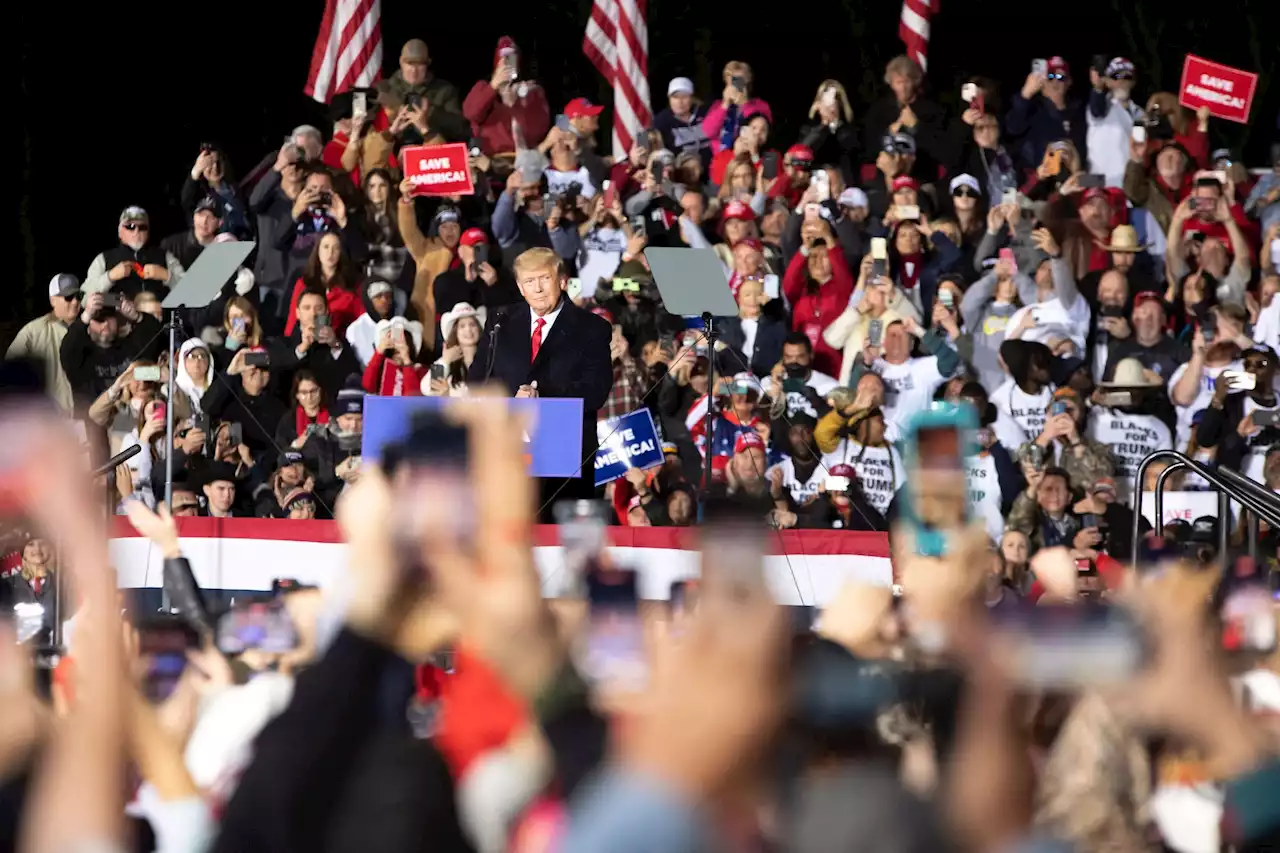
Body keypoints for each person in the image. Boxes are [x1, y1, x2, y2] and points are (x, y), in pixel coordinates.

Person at [468, 247, 613, 507]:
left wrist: (541, 394)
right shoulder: (500, 320)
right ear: (520, 287)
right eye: (529, 281)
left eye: (544, 279)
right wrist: (509, 400)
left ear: (562, 281)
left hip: (565, 455)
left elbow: (596, 391)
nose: (537, 289)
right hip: (508, 452)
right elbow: (478, 380)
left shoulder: (592, 328)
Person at [5, 274, 82, 412]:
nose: (75, 302)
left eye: (79, 296)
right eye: (68, 297)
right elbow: (10, 373)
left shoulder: (92, 328)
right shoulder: (33, 331)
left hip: (84, 419)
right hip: (48, 419)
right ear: (53, 300)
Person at [83, 207, 184, 300]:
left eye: (142, 227)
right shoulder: (103, 259)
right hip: (117, 318)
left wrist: (167, 276)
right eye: (130, 226)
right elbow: (84, 298)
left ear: (148, 232)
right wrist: (109, 277)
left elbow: (190, 290)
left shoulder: (164, 256)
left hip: (160, 318)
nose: (136, 231)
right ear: (120, 232)